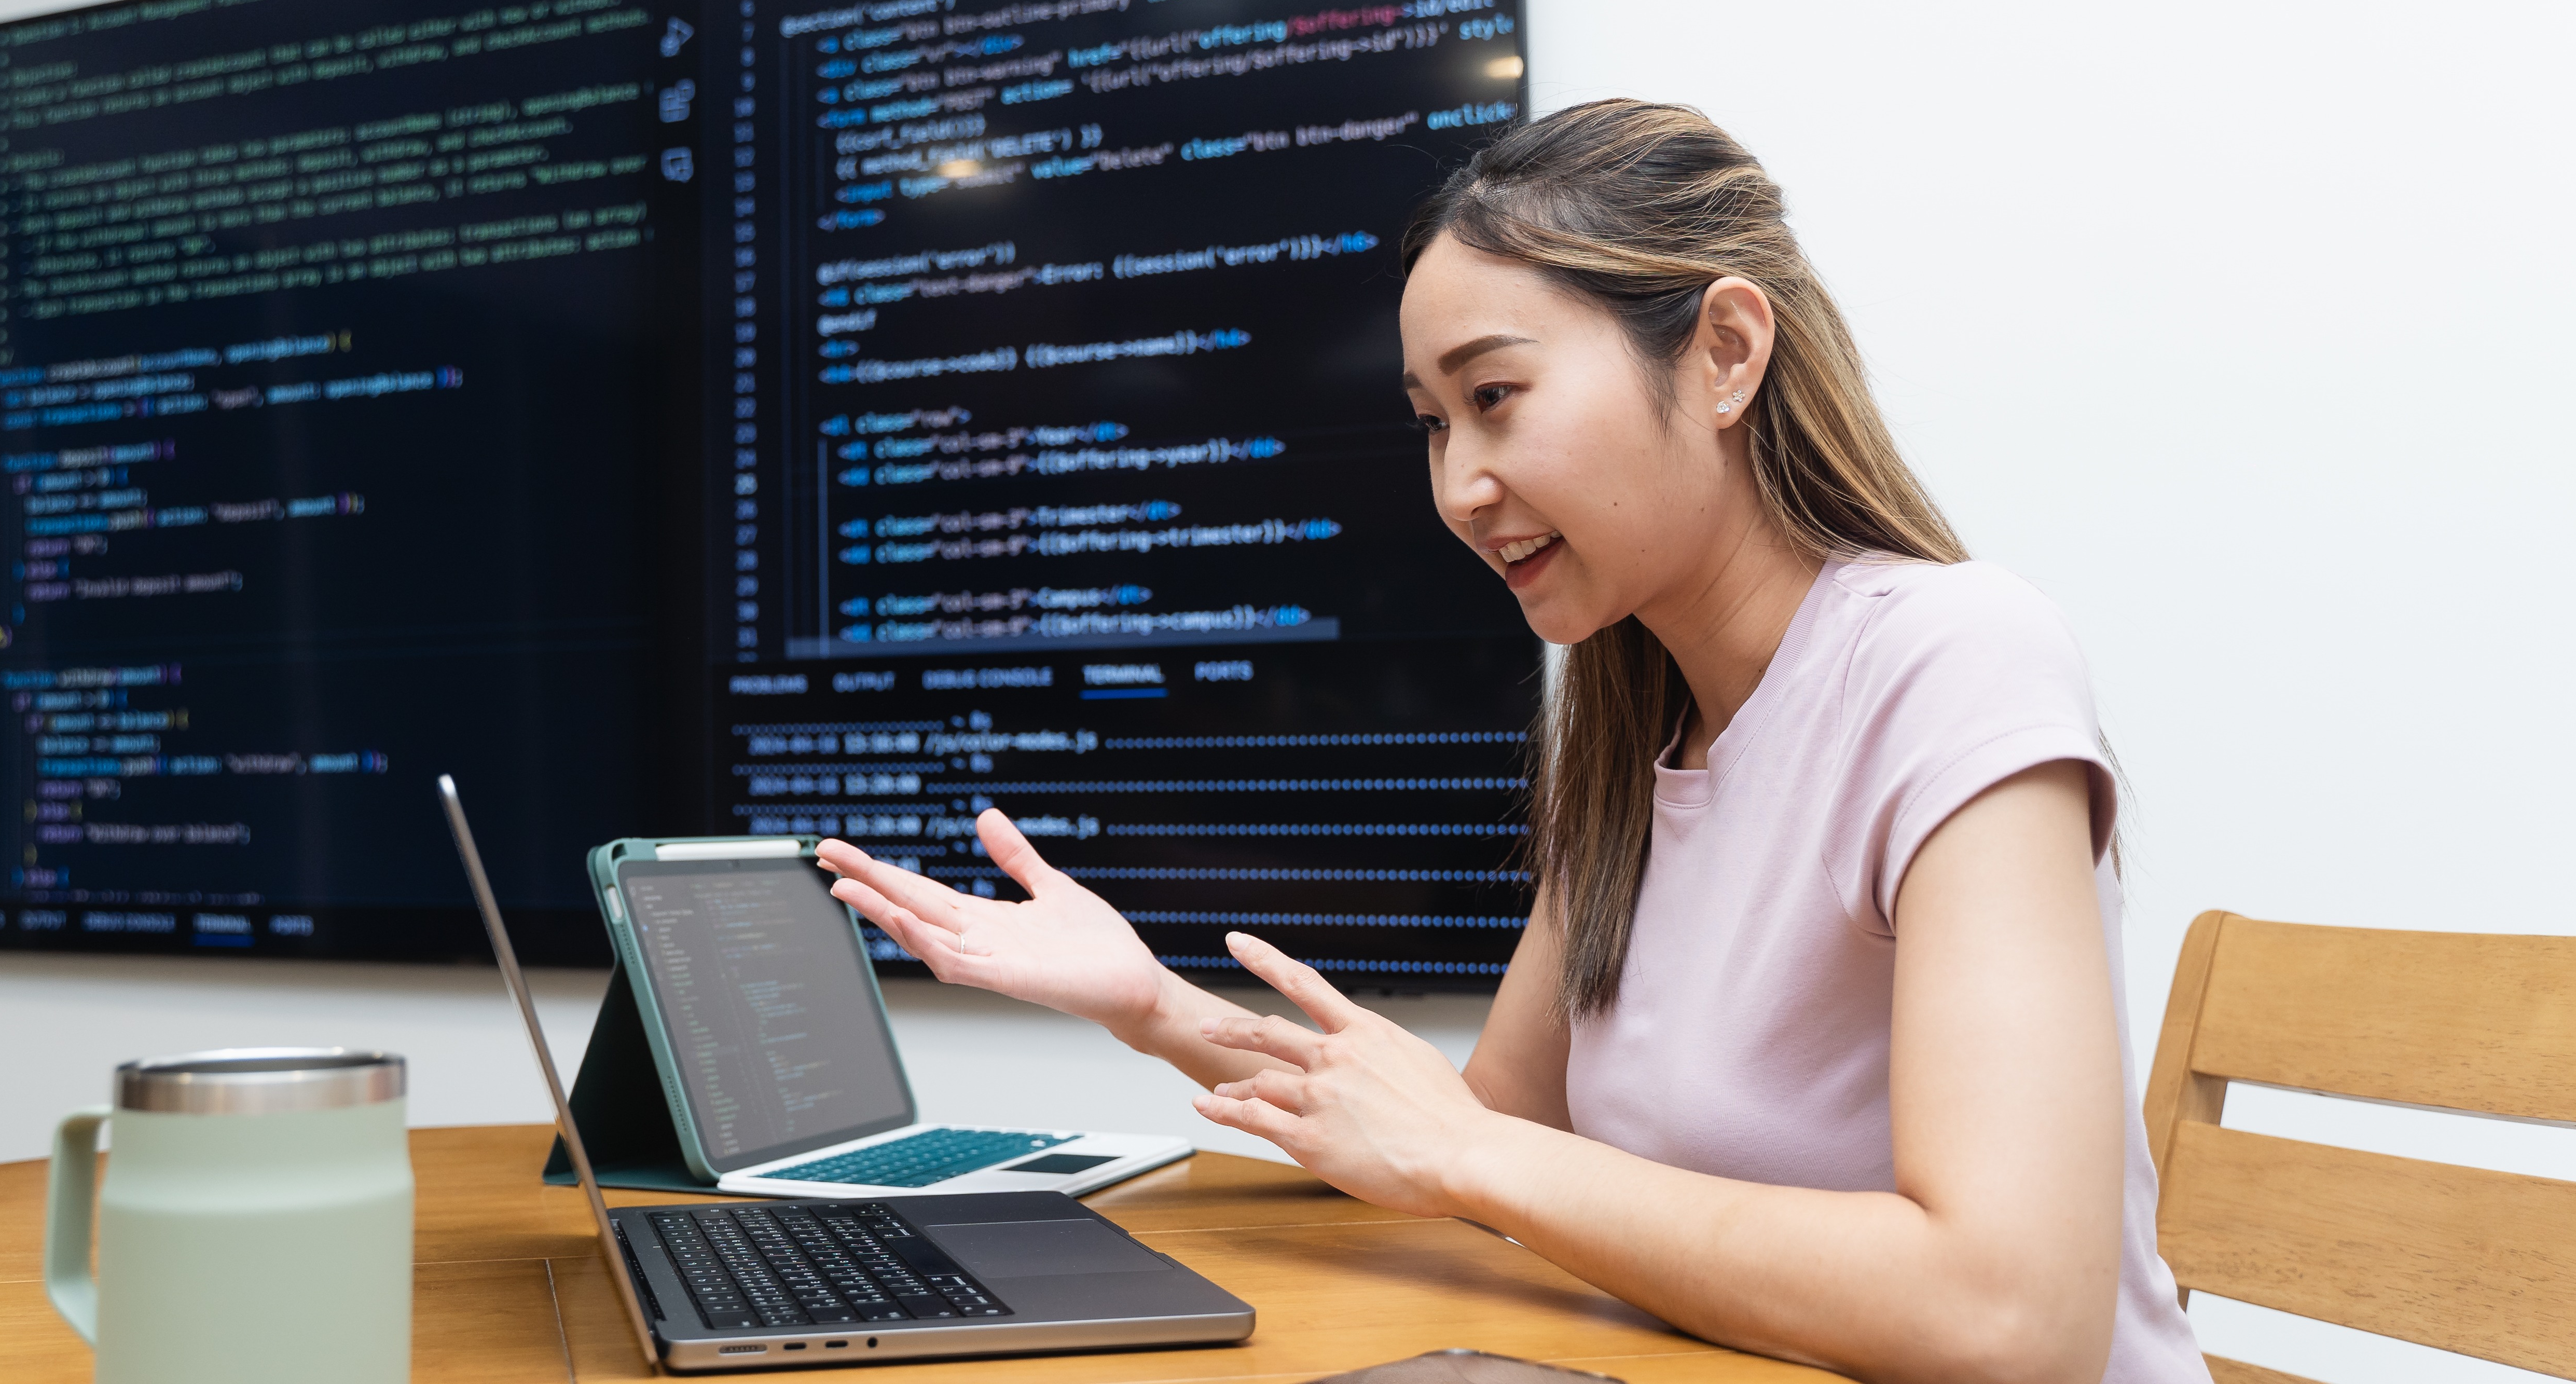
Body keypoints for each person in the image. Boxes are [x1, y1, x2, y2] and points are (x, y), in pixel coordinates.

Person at [813, 99, 2205, 1384]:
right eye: (1431, 424)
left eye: (1497, 398)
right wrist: (1151, 1008)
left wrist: (1477, 1157)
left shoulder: (1953, 657)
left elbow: (2012, 1316)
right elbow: (1452, 1132)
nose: (1460, 487)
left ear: (1726, 354)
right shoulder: (1632, 733)